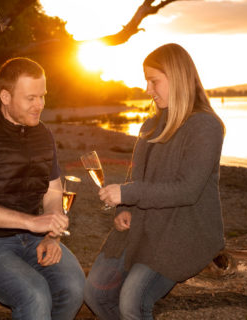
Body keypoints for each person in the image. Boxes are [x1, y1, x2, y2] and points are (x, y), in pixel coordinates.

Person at [84, 43, 226, 319]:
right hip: (143, 227)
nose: (148, 90)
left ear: (179, 77)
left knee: (132, 300)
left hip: (184, 231)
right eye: (146, 81)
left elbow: (188, 190)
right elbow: (136, 177)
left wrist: (127, 194)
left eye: (154, 81)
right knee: (95, 293)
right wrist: (124, 209)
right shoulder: (150, 125)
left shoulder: (206, 126)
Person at [0, 57, 85, 320]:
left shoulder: (44, 135)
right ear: (5, 96)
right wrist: (31, 222)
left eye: (43, 96)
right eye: (30, 98)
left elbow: (53, 190)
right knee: (34, 294)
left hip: (33, 238)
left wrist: (52, 235)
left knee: (74, 287)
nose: (40, 105)